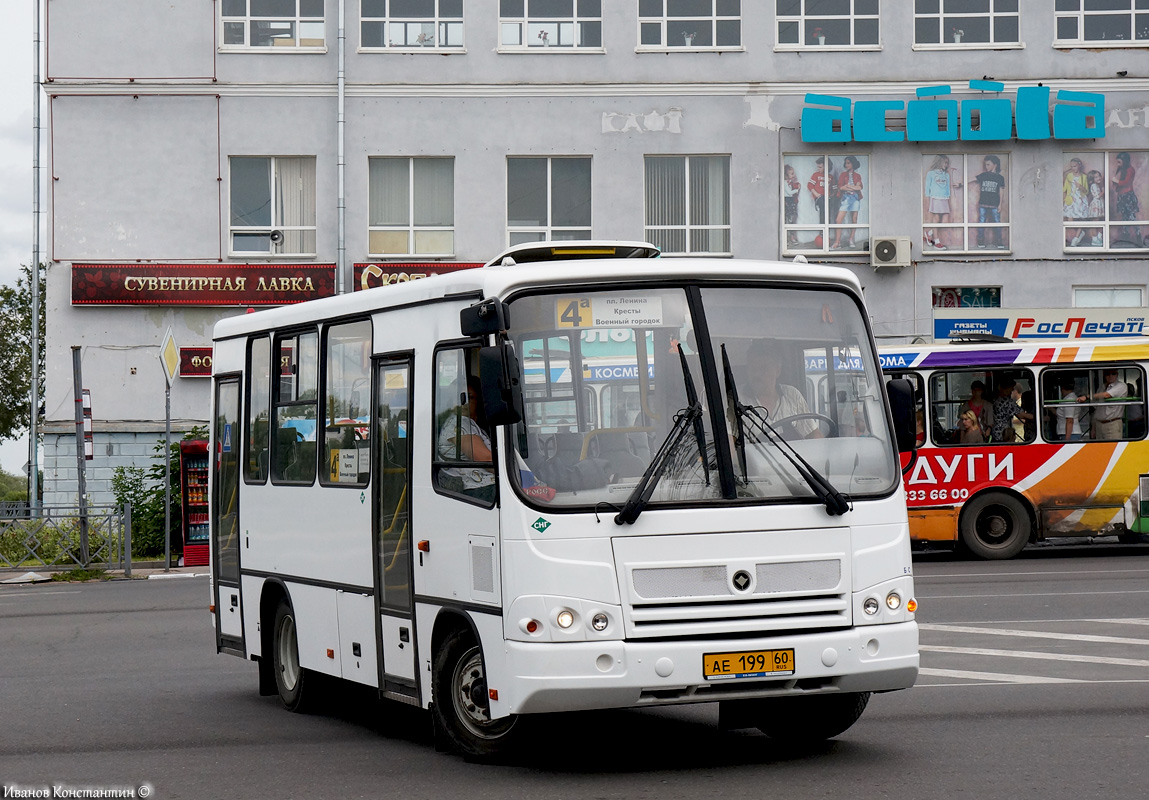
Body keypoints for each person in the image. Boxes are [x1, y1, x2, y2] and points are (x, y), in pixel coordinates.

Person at [745, 340, 822, 438]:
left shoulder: (792, 395)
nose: (757, 374)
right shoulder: (735, 399)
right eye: (752, 368)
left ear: (777, 371)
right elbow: (729, 440)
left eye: (763, 368)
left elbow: (813, 434)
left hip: (791, 453)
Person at [437, 375, 496, 501]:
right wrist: (515, 476)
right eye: (459, 398)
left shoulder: (473, 425)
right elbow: (486, 459)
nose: (462, 403)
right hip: (478, 491)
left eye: (469, 397)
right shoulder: (458, 423)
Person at [924, 155, 960, 250]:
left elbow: (947, 187)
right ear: (939, 162)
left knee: (944, 220)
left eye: (947, 163)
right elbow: (927, 187)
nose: (946, 165)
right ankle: (937, 241)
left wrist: (948, 198)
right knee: (936, 218)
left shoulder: (946, 174)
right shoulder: (931, 173)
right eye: (945, 162)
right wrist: (928, 199)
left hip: (944, 198)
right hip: (935, 198)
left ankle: (929, 233)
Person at [1085, 368, 1128, 440]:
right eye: (1107, 374)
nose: (1110, 376)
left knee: (1113, 448)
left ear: (1117, 375)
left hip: (1112, 423)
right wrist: (1093, 427)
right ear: (1104, 375)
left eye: (1113, 373)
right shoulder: (1102, 387)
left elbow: (1107, 395)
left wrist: (1087, 397)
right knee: (1100, 449)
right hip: (1099, 424)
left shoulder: (1121, 386)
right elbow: (1098, 409)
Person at [831, 155, 863, 249]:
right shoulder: (843, 175)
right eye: (846, 163)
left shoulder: (857, 176)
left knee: (854, 219)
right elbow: (841, 187)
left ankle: (851, 239)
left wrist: (849, 186)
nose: (847, 164)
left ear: (853, 164)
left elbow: (859, 187)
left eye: (849, 163)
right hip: (846, 198)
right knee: (838, 220)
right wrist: (853, 187)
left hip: (855, 198)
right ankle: (837, 242)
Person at [974, 155, 1006, 249]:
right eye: (985, 165)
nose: (986, 167)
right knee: (982, 221)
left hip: (994, 204)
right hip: (983, 203)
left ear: (995, 165)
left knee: (996, 222)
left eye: (988, 165)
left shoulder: (1000, 178)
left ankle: (999, 242)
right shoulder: (984, 175)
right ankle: (980, 240)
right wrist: (960, 183)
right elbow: (972, 179)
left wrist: (1000, 204)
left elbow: (1001, 191)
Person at [1111, 151, 1140, 246]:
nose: (1118, 164)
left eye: (1119, 162)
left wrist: (1116, 181)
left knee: (1131, 216)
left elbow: (1126, 182)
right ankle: (1125, 237)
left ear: (1125, 161)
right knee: (1125, 217)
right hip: (1122, 195)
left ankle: (1138, 236)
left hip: (1128, 196)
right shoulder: (1122, 169)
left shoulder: (1130, 169)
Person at [1063, 157, 1091, 247]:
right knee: (1070, 221)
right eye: (1071, 167)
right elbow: (1065, 189)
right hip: (1071, 200)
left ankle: (1076, 238)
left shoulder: (1084, 177)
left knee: (1081, 219)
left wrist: (1080, 186)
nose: (1073, 168)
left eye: (1074, 166)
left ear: (1079, 166)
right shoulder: (1069, 176)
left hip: (1080, 199)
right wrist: (1065, 199)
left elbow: (1086, 191)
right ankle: (1081, 232)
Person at [990, 377, 1019, 442]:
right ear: (1006, 388)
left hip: (995, 434)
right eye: (1011, 388)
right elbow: (1021, 415)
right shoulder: (1007, 401)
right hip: (1005, 435)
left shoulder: (994, 399)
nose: (1012, 390)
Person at [1086, 169, 1105, 247]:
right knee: (1095, 222)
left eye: (1099, 176)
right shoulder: (1093, 185)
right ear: (1092, 179)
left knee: (1099, 222)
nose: (1098, 178)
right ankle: (1094, 239)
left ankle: (1099, 237)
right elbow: (1097, 196)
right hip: (1096, 205)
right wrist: (1103, 191)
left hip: (1099, 204)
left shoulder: (1097, 185)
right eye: (1096, 177)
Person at [807, 157, 828, 224]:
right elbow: (810, 185)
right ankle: (822, 230)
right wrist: (815, 193)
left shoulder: (830, 176)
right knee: (823, 210)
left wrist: (833, 195)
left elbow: (834, 188)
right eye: (818, 167)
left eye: (820, 167)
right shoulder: (816, 175)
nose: (818, 169)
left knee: (829, 212)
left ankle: (827, 228)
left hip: (828, 197)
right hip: (820, 197)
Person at [783, 164, 800, 246]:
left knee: (792, 219)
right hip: (787, 201)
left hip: (790, 200)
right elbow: (789, 193)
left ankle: (792, 237)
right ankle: (788, 238)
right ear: (786, 175)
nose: (793, 175)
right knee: (788, 219)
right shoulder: (785, 183)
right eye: (791, 173)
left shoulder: (790, 183)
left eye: (793, 173)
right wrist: (797, 190)